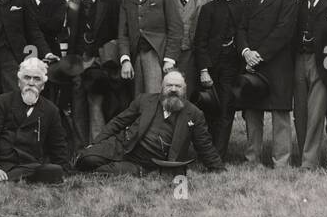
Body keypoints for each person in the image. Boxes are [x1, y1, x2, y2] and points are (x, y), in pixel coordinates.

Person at [76, 69, 222, 175]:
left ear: (184, 89)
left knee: (104, 171)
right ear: (162, 88)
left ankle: (118, 168)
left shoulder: (194, 114)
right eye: (169, 85)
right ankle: (103, 161)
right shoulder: (145, 100)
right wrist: (96, 142)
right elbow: (118, 122)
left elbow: (204, 145)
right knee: (86, 159)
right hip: (124, 146)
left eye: (178, 86)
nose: (173, 89)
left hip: (147, 163)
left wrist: (217, 169)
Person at [238, 0, 297, 169]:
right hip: (252, 68)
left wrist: (258, 55)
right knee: (252, 115)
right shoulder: (251, 2)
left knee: (280, 115)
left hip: (278, 68)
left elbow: (283, 32)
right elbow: (241, 29)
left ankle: (281, 163)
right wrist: (245, 52)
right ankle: (252, 160)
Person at [53, 0, 121, 146]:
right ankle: (81, 150)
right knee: (77, 106)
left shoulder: (112, 2)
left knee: (96, 105)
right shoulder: (73, 4)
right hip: (77, 66)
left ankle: (97, 149)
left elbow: (119, 34)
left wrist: (103, 59)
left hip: (100, 66)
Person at [194, 0, 246, 160]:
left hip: (236, 66)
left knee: (227, 110)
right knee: (212, 111)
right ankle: (211, 154)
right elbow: (200, 42)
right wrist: (204, 70)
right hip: (214, 66)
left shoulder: (245, 5)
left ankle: (217, 156)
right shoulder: (209, 9)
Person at [292, 0, 327, 169]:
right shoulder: (300, 3)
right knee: (300, 113)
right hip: (299, 61)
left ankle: (309, 163)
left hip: (321, 64)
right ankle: (305, 156)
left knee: (316, 112)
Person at [117, 0, 181, 97]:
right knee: (139, 100)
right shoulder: (127, 2)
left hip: (157, 56)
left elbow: (176, 30)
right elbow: (123, 34)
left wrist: (169, 59)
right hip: (135, 57)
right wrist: (125, 60)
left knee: (156, 97)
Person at [170, 0, 209, 101]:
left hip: (195, 57)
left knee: (193, 95)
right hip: (172, 57)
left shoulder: (204, 0)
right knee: (173, 94)